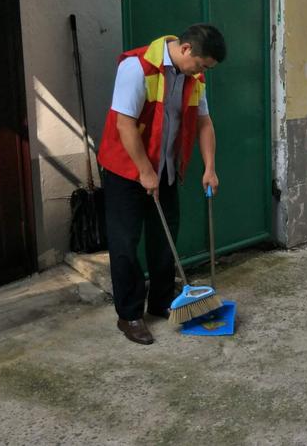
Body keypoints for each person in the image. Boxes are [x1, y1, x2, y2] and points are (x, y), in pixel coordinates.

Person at [97, 24, 226, 344]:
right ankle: (129, 315)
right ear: (186, 50)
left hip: (165, 170)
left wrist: (209, 167)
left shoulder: (194, 78)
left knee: (164, 240)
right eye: (201, 64)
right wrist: (144, 171)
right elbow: (124, 123)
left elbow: (203, 122)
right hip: (126, 170)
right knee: (125, 244)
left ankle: (160, 302)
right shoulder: (136, 67)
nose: (202, 71)